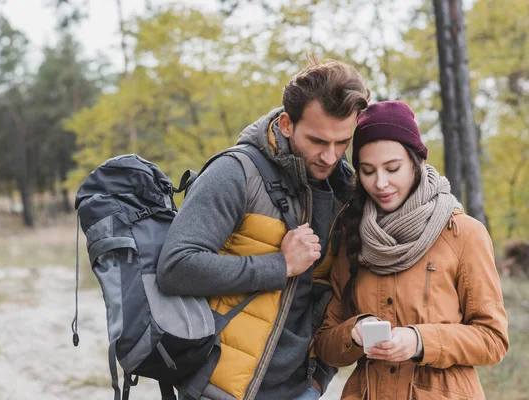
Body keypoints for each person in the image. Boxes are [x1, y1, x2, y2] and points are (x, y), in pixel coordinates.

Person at [156, 53, 370, 400]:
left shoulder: (345, 191)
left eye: (342, 142)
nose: (331, 157)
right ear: (287, 124)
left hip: (303, 389)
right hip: (221, 390)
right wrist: (279, 266)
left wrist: (319, 382)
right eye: (318, 141)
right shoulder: (236, 173)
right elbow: (175, 267)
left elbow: (332, 293)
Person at [314, 101, 509, 400]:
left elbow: (493, 340)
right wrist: (354, 332)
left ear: (416, 162)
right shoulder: (351, 236)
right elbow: (326, 344)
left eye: (393, 168)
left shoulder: (464, 234)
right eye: (367, 171)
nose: (380, 183)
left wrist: (420, 340)